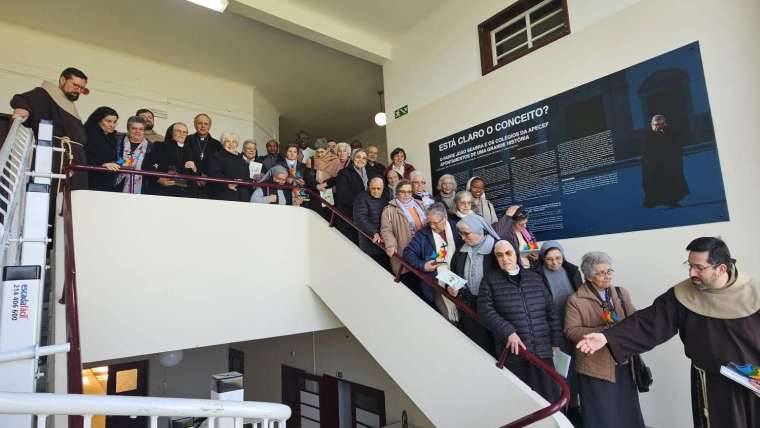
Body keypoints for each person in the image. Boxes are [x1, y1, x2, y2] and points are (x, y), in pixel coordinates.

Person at [576, 237, 760, 427]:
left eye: (699, 267)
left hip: (755, 380)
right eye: (689, 266)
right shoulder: (683, 294)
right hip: (711, 384)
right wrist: (607, 336)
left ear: (721, 268)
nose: (691, 273)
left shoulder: (755, 293)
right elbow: (648, 322)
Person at [564, 251, 644, 428]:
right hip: (595, 367)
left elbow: (635, 320)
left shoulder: (621, 293)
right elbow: (571, 330)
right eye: (601, 273)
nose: (607, 276)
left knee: (627, 410)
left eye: (609, 271)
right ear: (590, 277)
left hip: (622, 361)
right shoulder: (576, 300)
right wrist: (604, 333)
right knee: (602, 414)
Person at [478, 240, 562, 402]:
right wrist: (508, 331)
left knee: (551, 398)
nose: (505, 258)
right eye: (499, 255)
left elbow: (551, 312)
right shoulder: (489, 280)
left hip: (543, 350)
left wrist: (556, 341)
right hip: (515, 352)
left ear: (516, 254)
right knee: (526, 402)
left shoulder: (535, 278)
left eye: (508, 253)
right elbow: (485, 311)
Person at [11, 67, 90, 189]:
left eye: (81, 88)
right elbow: (22, 99)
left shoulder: (68, 103)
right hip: (56, 158)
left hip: (73, 160)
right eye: (75, 85)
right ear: (63, 80)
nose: (78, 90)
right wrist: (23, 108)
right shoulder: (45, 94)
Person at [449, 213, 500, 356]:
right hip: (468, 306)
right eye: (461, 234)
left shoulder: (497, 249)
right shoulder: (461, 251)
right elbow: (454, 273)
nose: (463, 238)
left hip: (492, 309)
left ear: (479, 230)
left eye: (466, 234)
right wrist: (453, 288)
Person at [403, 203, 463, 313]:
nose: (432, 226)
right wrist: (423, 266)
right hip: (435, 284)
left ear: (445, 218)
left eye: (435, 223)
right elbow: (408, 252)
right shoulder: (423, 234)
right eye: (429, 222)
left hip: (458, 280)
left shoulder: (457, 228)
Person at [381, 180, 427, 292]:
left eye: (409, 192)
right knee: (412, 287)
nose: (407, 195)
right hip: (404, 251)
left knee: (427, 286)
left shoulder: (419, 204)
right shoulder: (389, 210)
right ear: (396, 193)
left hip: (424, 251)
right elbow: (386, 230)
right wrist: (390, 244)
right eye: (403, 192)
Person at [641, 114, 689, 208]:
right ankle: (653, 201)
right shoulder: (649, 136)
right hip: (655, 166)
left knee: (671, 182)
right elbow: (648, 153)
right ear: (652, 125)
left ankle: (671, 201)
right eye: (657, 124)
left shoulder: (669, 132)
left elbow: (675, 144)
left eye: (662, 124)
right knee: (655, 183)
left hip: (669, 164)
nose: (659, 126)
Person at [143, 122, 199, 198]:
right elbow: (146, 165)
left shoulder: (192, 151)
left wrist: (194, 168)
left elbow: (197, 174)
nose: (182, 134)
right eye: (178, 131)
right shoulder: (160, 146)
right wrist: (158, 179)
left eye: (184, 132)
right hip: (162, 191)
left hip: (186, 194)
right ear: (171, 132)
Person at [353, 177, 392, 271]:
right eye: (373, 188)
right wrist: (374, 232)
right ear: (368, 187)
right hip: (370, 239)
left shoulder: (386, 196)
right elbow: (360, 219)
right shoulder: (362, 198)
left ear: (383, 188)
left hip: (384, 239)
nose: (376, 191)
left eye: (379, 189)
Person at [335, 148, 373, 243]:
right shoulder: (344, 173)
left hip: (367, 214)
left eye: (364, 158)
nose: (361, 160)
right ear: (352, 158)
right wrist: (362, 205)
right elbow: (343, 194)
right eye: (358, 157)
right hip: (349, 214)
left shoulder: (370, 173)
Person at [113, 116, 154, 194]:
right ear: (128, 129)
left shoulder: (151, 147)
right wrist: (124, 162)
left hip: (141, 186)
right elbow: (112, 158)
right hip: (116, 183)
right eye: (134, 128)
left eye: (141, 129)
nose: (137, 131)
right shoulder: (117, 141)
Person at [84, 106, 120, 192]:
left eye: (115, 122)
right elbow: (83, 155)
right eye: (108, 121)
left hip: (107, 180)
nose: (112, 125)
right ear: (98, 120)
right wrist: (102, 164)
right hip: (90, 180)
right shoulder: (87, 133)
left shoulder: (112, 136)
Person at [208, 132, 251, 202]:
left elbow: (247, 177)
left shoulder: (242, 160)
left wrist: (242, 181)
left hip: (242, 198)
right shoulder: (216, 156)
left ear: (237, 144)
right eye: (227, 141)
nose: (231, 144)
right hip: (223, 196)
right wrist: (228, 183)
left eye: (234, 142)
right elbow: (214, 174)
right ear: (222, 143)